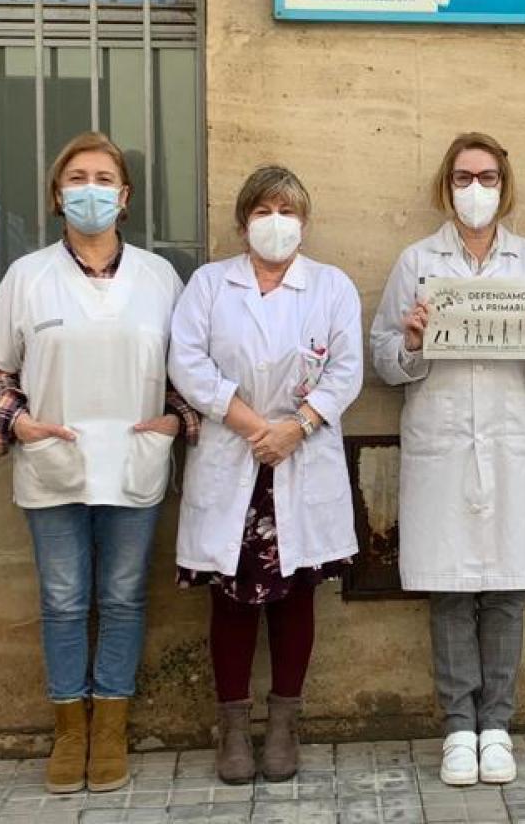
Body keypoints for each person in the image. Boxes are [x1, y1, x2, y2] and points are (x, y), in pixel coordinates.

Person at [0, 132, 195, 793]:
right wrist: (18, 420)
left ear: (123, 198)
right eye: (76, 177)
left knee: (123, 599)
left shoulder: (159, 277)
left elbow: (189, 365)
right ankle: (69, 729)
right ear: (56, 194)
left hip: (134, 458)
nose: (88, 188)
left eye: (103, 177)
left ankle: (111, 727)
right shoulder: (28, 276)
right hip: (54, 458)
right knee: (64, 601)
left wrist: (176, 419)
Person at [369, 132, 525, 787]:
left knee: (508, 589)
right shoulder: (416, 261)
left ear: (504, 185)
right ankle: (458, 726)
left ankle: (498, 726)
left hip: (509, 442)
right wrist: (411, 341)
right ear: (446, 185)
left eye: (486, 177)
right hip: (443, 443)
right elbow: (383, 359)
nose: (475, 190)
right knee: (452, 591)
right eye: (463, 177)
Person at [168, 166, 363, 784]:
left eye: (287, 210)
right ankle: (232, 729)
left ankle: (283, 726)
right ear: (242, 219)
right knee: (229, 598)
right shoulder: (207, 285)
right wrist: (257, 427)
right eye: (262, 210)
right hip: (236, 455)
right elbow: (188, 364)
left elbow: (346, 372)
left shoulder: (332, 287)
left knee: (295, 596)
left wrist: (295, 428)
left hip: (299, 456)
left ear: (304, 221)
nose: (275, 222)